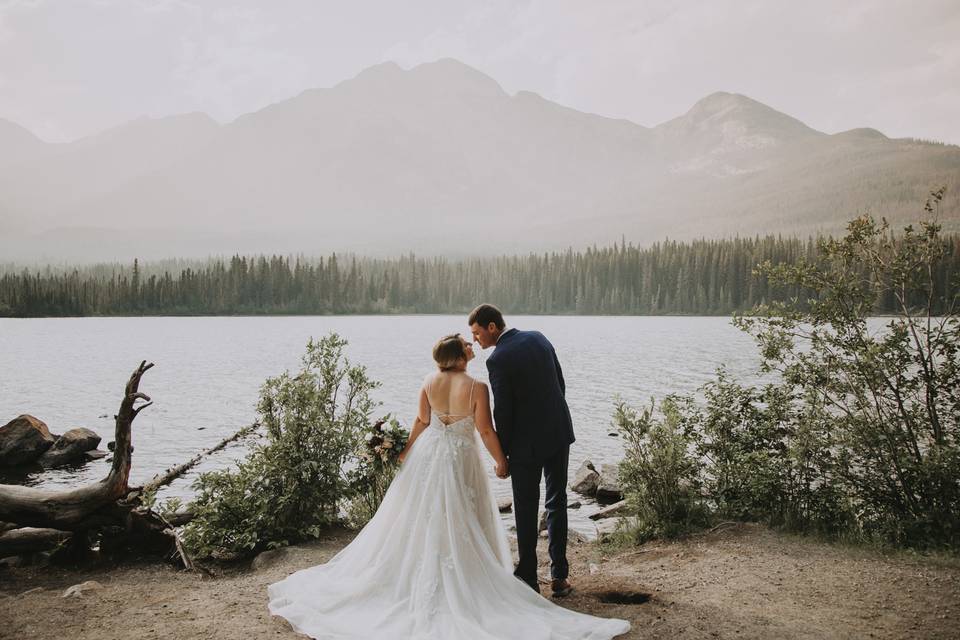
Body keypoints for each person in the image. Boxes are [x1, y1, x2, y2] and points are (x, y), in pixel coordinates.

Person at [267, 334, 629, 639]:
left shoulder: (428, 380)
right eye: (466, 346)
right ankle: (466, 575)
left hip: (429, 455)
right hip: (460, 458)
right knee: (462, 512)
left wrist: (405, 453)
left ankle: (423, 572)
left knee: (426, 515)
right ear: (457, 358)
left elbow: (422, 420)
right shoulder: (476, 386)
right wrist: (501, 460)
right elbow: (485, 430)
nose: (472, 348)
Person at [469, 303, 574, 596]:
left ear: (492, 327)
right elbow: (560, 383)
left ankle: (528, 577)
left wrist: (503, 455)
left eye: (477, 333)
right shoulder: (539, 337)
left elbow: (503, 413)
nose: (476, 340)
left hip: (526, 445)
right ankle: (559, 577)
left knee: (526, 510)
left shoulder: (498, 359)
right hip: (558, 432)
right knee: (557, 501)